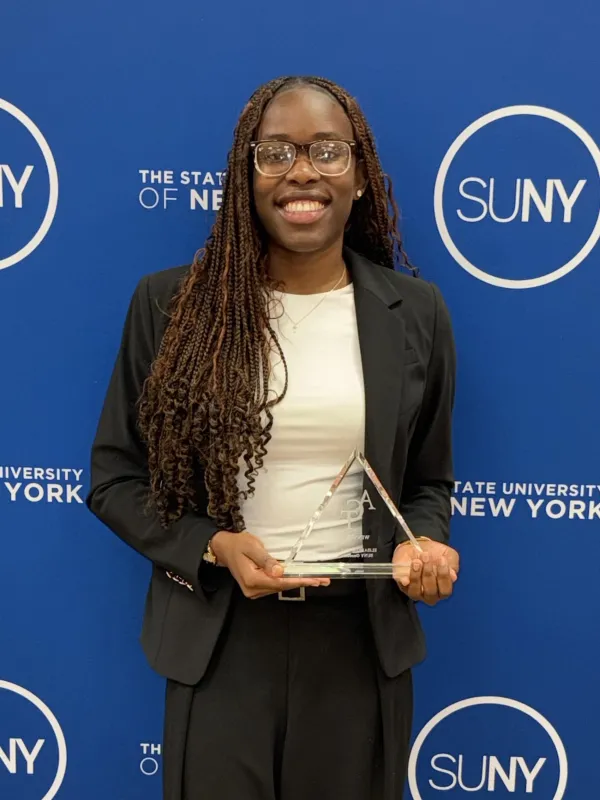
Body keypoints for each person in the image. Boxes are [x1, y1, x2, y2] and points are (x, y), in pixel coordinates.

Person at [86, 75, 460, 800]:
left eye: (327, 151)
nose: (302, 173)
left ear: (359, 177)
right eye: (275, 153)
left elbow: (426, 483)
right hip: (221, 642)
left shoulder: (415, 313)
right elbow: (114, 479)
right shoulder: (171, 308)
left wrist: (422, 543)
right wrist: (212, 543)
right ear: (244, 176)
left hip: (359, 647)